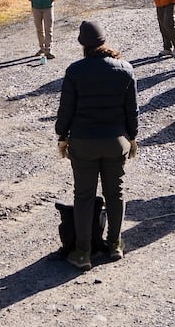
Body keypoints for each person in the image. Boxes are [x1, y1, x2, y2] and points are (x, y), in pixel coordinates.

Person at [55, 19, 139, 270]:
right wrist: (132, 138)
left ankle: (83, 253)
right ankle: (115, 244)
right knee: (116, 193)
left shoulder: (75, 71)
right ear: (104, 41)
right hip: (116, 142)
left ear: (83, 45)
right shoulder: (125, 68)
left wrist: (62, 136)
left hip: (83, 143)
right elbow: (131, 110)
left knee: (83, 196)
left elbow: (65, 110)